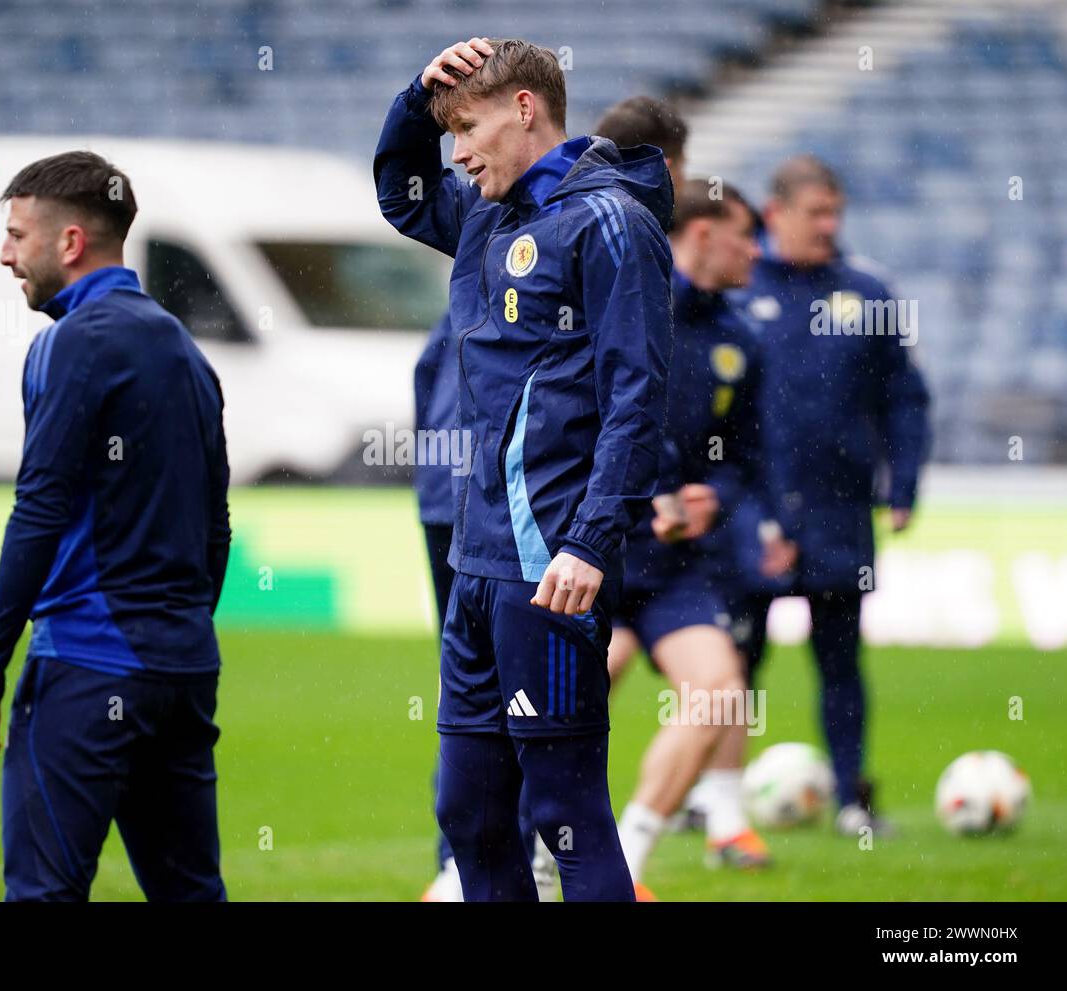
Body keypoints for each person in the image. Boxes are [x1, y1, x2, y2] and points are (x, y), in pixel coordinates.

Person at [377, 37, 674, 901]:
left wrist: (589, 538)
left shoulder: (610, 222)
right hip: (476, 561)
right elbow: (401, 194)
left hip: (551, 565)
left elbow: (637, 397)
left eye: (465, 128)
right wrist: (417, 92)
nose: (457, 153)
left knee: (567, 809)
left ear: (524, 108)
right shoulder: (486, 214)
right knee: (467, 810)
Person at [0, 151, 232, 900]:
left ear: (71, 242)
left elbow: (37, 513)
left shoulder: (67, 345)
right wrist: (174, 635)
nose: (5, 253)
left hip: (86, 663)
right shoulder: (188, 352)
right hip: (180, 670)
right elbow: (218, 528)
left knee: (44, 893)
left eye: (17, 235)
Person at [730, 155, 930, 834]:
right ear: (775, 213)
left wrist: (901, 484)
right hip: (751, 511)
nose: (829, 226)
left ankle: (851, 797)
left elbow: (906, 399)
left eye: (835, 213)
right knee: (733, 661)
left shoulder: (871, 294)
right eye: (816, 213)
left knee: (841, 658)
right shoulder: (735, 288)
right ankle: (718, 799)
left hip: (840, 509)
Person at [605, 180, 776, 883]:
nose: (756, 251)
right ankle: (514, 858)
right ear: (702, 234)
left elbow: (746, 455)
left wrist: (713, 499)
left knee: (717, 687)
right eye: (744, 235)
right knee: (564, 708)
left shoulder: (740, 339)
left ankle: (626, 863)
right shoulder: (626, 305)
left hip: (678, 563)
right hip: (598, 552)